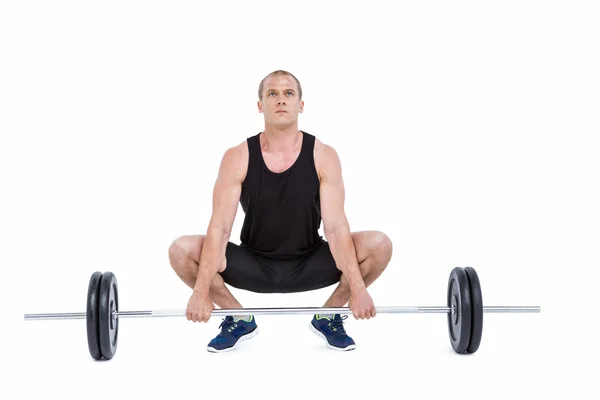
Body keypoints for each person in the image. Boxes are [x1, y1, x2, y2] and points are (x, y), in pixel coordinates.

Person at [168, 70, 393, 352]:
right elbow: (220, 228)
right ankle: (237, 318)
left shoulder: (323, 155)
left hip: (311, 260)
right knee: (181, 250)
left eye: (289, 94)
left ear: (301, 105)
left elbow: (335, 228)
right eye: (272, 94)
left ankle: (330, 315)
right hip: (253, 263)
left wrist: (359, 291)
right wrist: (201, 292)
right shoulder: (237, 156)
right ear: (260, 105)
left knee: (379, 245)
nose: (281, 100)